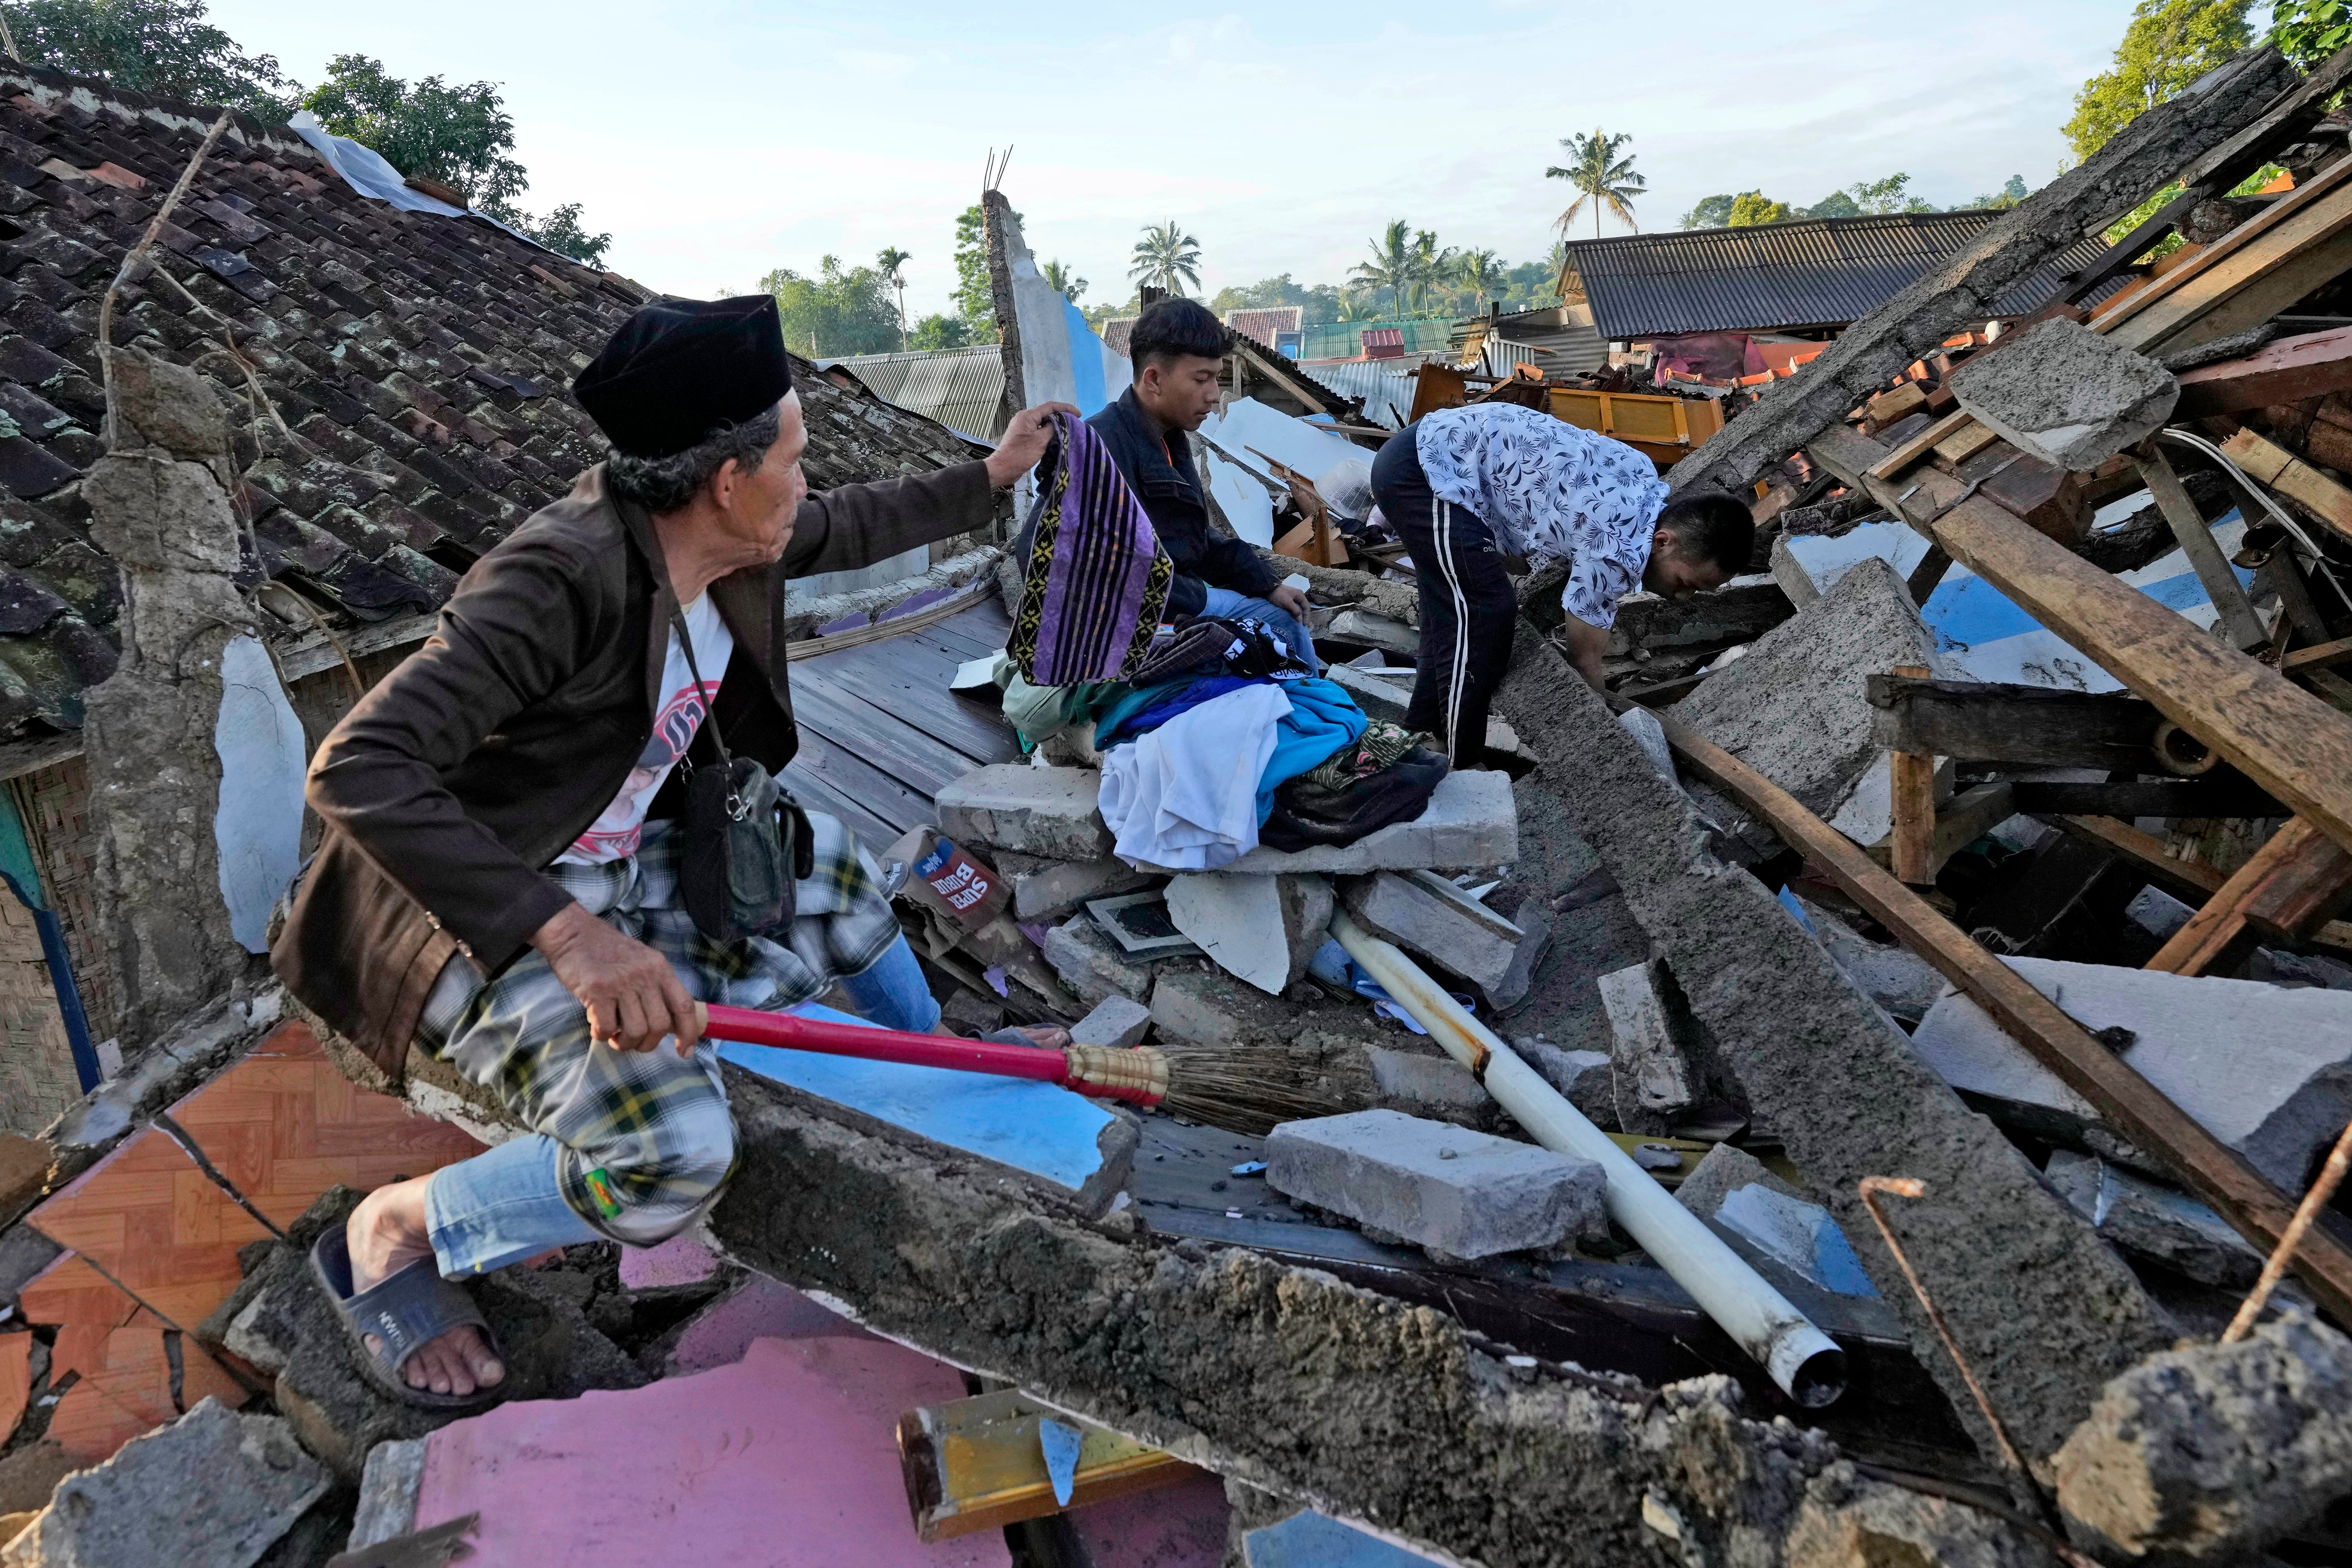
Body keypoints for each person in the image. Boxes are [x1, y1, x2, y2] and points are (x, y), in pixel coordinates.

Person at [270, 294, 1073, 1405]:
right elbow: (357, 768)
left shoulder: (738, 540)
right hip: (471, 910)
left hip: (618, 860)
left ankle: (942, 1072)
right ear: (726, 480)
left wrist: (992, 475)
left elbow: (848, 522)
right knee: (671, 1158)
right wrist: (575, 943)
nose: (808, 479)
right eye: (795, 458)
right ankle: (396, 1231)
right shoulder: (555, 580)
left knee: (834, 867)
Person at [1369, 403, 1753, 769]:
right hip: (1428, 472)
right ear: (1663, 541)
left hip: (1428, 453)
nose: (1682, 598)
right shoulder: (1618, 550)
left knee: (1451, 615)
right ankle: (1461, 758)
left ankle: (1422, 734)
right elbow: (1584, 661)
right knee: (1485, 611)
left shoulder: (1641, 481)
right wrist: (1607, 740)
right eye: (1685, 583)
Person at [1086, 297, 1320, 672]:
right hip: (1139, 616)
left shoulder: (1169, 438)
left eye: (1216, 377)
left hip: (1183, 593)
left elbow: (1194, 537)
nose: (1214, 394)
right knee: (1277, 633)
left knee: (1283, 618)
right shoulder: (1097, 447)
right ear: (1154, 379)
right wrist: (1190, 602)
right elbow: (1060, 556)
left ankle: (1308, 702)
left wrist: (1266, 585)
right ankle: (1309, 704)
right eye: (1201, 379)